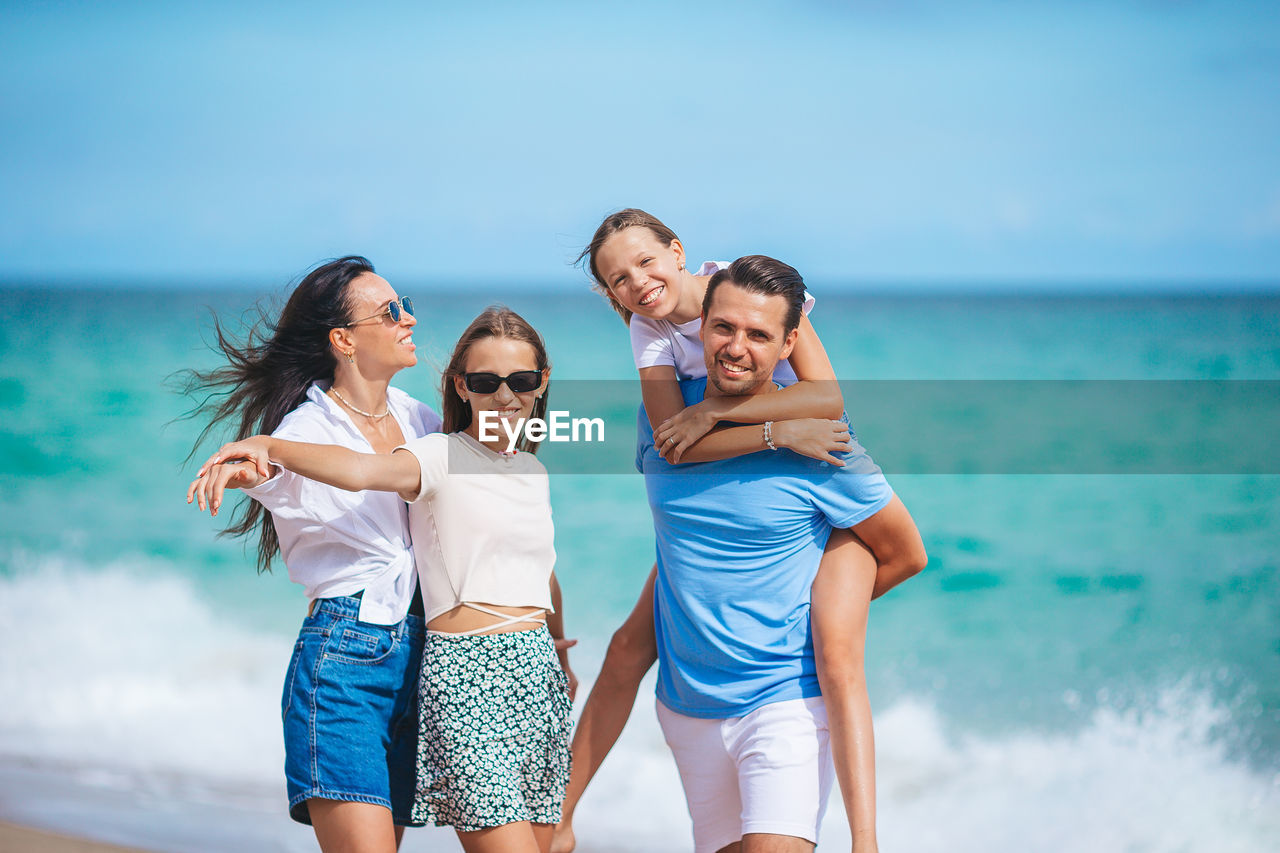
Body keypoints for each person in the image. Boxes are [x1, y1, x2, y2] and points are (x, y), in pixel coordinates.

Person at [556, 211, 924, 853]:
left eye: (758, 334)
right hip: (688, 710)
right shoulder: (654, 370)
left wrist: (821, 615)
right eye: (722, 327)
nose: (734, 343)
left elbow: (903, 551)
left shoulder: (820, 444)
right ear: (702, 323)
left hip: (784, 703)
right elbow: (674, 450)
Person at [190, 307, 575, 853]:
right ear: (462, 387)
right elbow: (359, 469)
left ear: (543, 382)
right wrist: (270, 447)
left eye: (522, 381)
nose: (505, 396)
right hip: (470, 675)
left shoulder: (530, 471)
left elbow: (542, 571)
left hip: (537, 679)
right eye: (487, 382)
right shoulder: (437, 453)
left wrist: (561, 657)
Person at [182, 256, 440, 853]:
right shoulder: (303, 431)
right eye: (391, 312)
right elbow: (270, 469)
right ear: (344, 340)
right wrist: (252, 471)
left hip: (423, 662)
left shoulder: (421, 420)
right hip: (345, 665)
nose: (410, 319)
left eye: (404, 305)